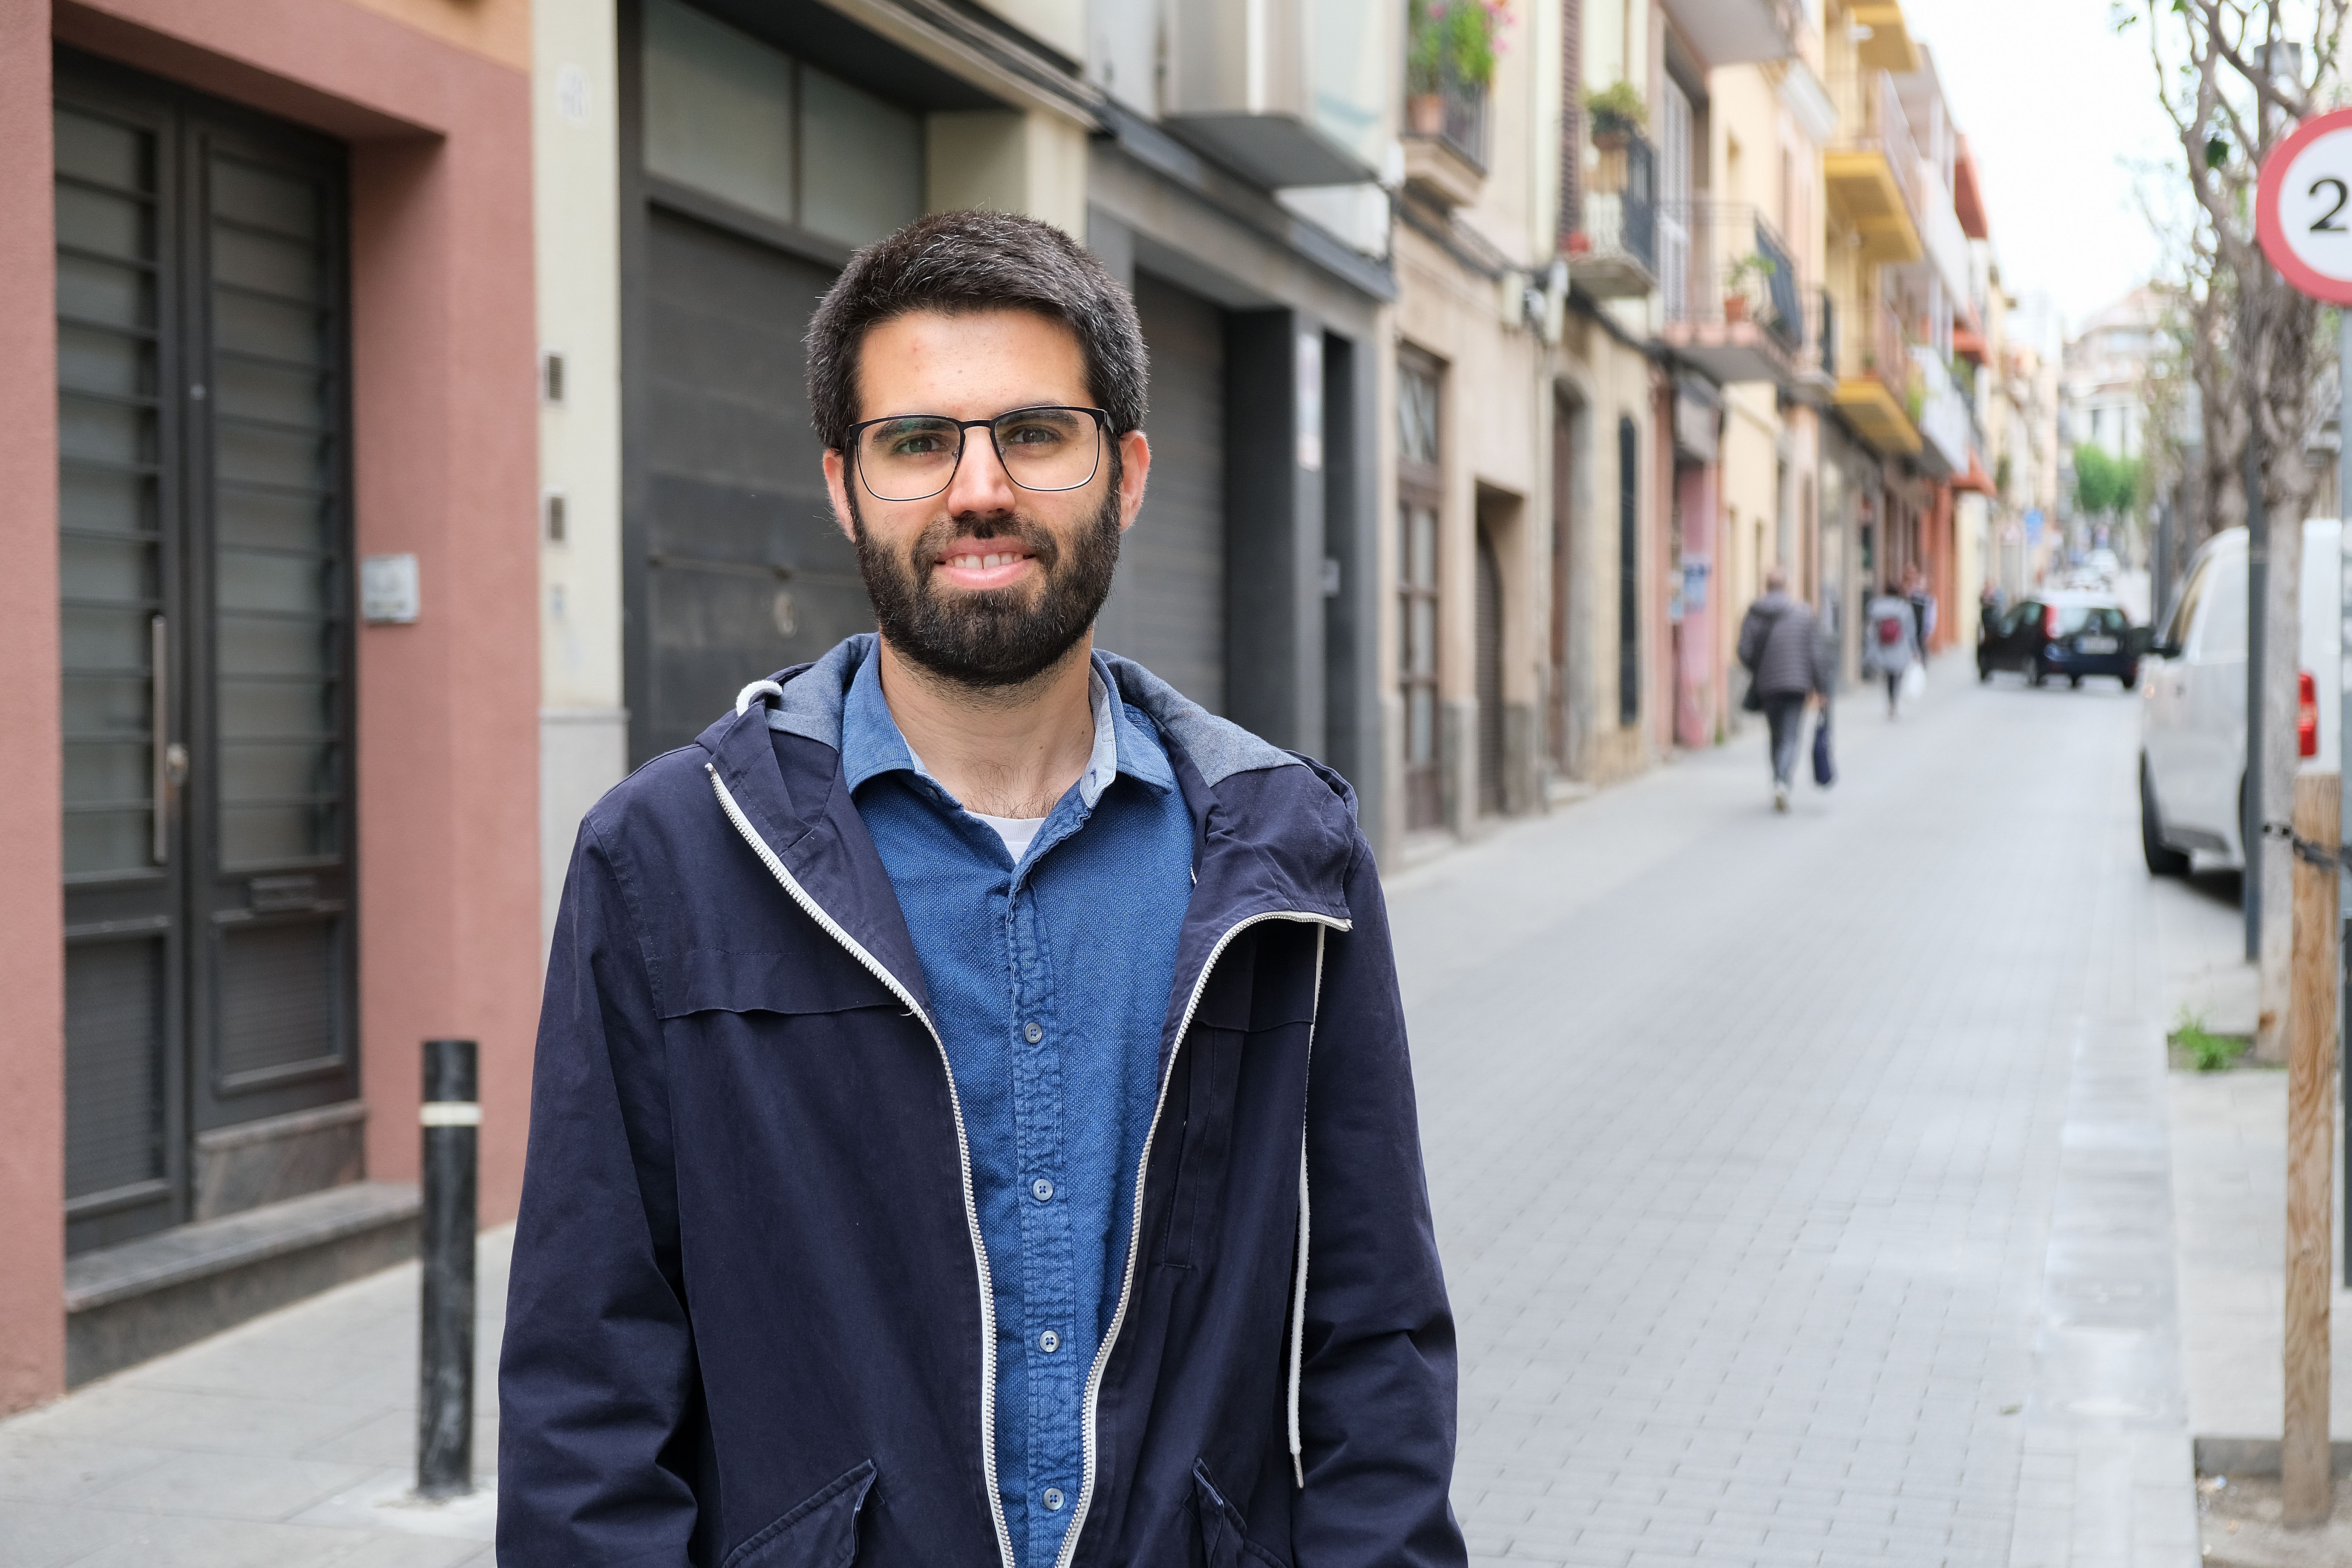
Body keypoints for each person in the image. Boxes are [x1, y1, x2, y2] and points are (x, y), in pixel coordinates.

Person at [498, 210, 1467, 1568]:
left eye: (1034, 433)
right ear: (843, 485)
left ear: (1124, 471)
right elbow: (588, 1379)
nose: (978, 490)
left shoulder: (1281, 859)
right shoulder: (668, 861)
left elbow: (1376, 1343)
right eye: (918, 443)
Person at [1737, 565, 1834, 812]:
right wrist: (1822, 689)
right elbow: (1815, 655)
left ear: (1766, 586)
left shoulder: (1754, 612)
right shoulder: (1803, 614)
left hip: (1767, 685)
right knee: (1791, 735)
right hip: (1797, 685)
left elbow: (1744, 651)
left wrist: (1760, 669)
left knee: (1775, 735)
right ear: (1787, 587)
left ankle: (1778, 779)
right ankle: (1782, 781)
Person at [1862, 578, 1921, 718]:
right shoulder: (1904, 608)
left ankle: (1890, 702)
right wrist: (1915, 650)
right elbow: (1911, 630)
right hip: (1899, 647)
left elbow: (1870, 629)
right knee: (1897, 675)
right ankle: (1894, 704)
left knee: (1889, 676)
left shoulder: (1876, 606)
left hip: (1882, 646)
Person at [1904, 564, 1938, 657]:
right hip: (1910, 633)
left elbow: (1932, 617)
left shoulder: (1929, 600)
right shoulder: (1909, 597)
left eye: (1920, 583)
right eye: (1917, 583)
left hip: (1921, 633)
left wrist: (1929, 632)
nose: (1918, 586)